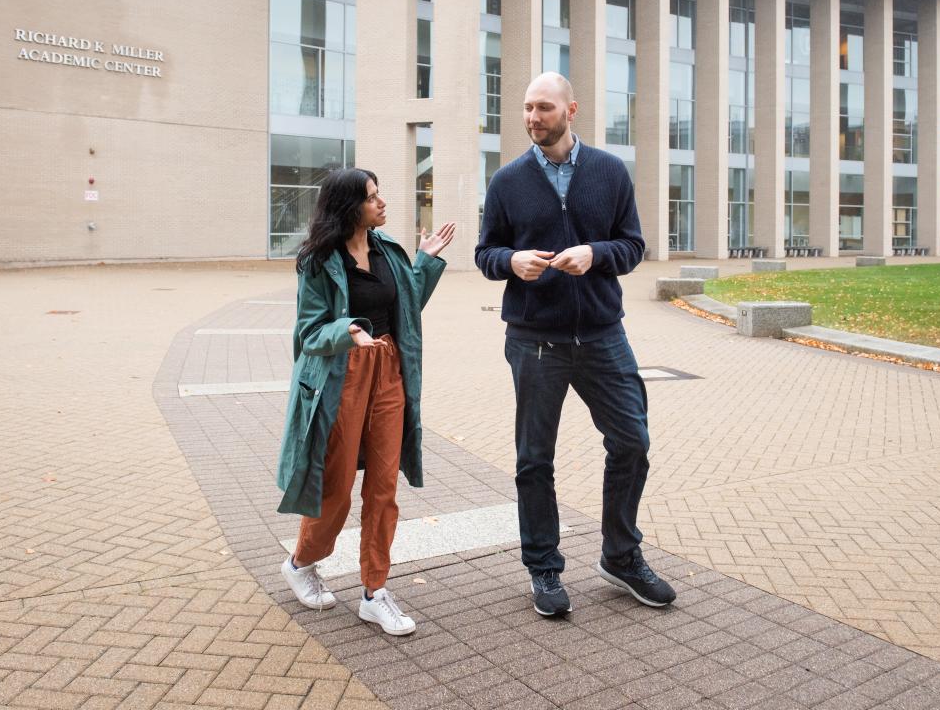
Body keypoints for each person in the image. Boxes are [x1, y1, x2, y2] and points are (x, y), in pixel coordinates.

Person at [475, 72, 675, 617]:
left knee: (632, 440)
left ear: (571, 110)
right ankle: (543, 567)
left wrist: (596, 254)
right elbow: (485, 253)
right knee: (534, 459)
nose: (532, 118)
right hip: (535, 340)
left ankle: (621, 556)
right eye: (525, 108)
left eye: (542, 108)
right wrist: (510, 261)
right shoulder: (508, 181)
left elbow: (633, 246)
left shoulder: (610, 172)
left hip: (604, 336)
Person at [276, 167, 455, 636]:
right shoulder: (318, 260)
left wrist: (426, 260)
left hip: (389, 372)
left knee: (383, 487)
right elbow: (308, 332)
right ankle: (301, 563)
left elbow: (408, 303)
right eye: (372, 198)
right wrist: (347, 331)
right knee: (333, 487)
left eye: (379, 195)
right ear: (348, 207)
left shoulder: (388, 250)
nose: (381, 204)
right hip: (342, 374)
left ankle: (375, 592)